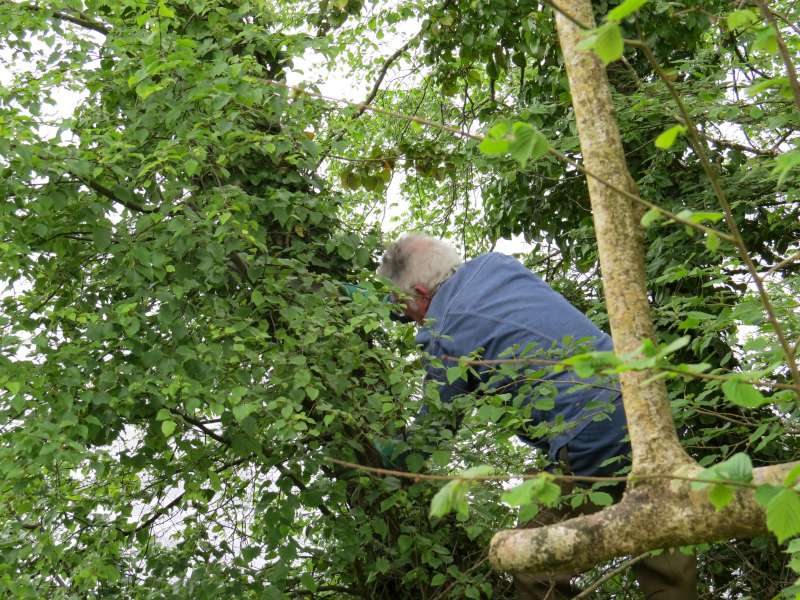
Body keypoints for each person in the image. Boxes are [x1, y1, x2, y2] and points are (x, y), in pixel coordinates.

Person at [377, 233, 697, 600]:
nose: (413, 323)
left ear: (420, 293)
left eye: (407, 313)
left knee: (532, 559)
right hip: (642, 400)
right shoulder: (498, 265)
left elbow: (434, 431)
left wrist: (387, 455)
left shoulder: (443, 333)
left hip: (589, 434)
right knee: (662, 535)